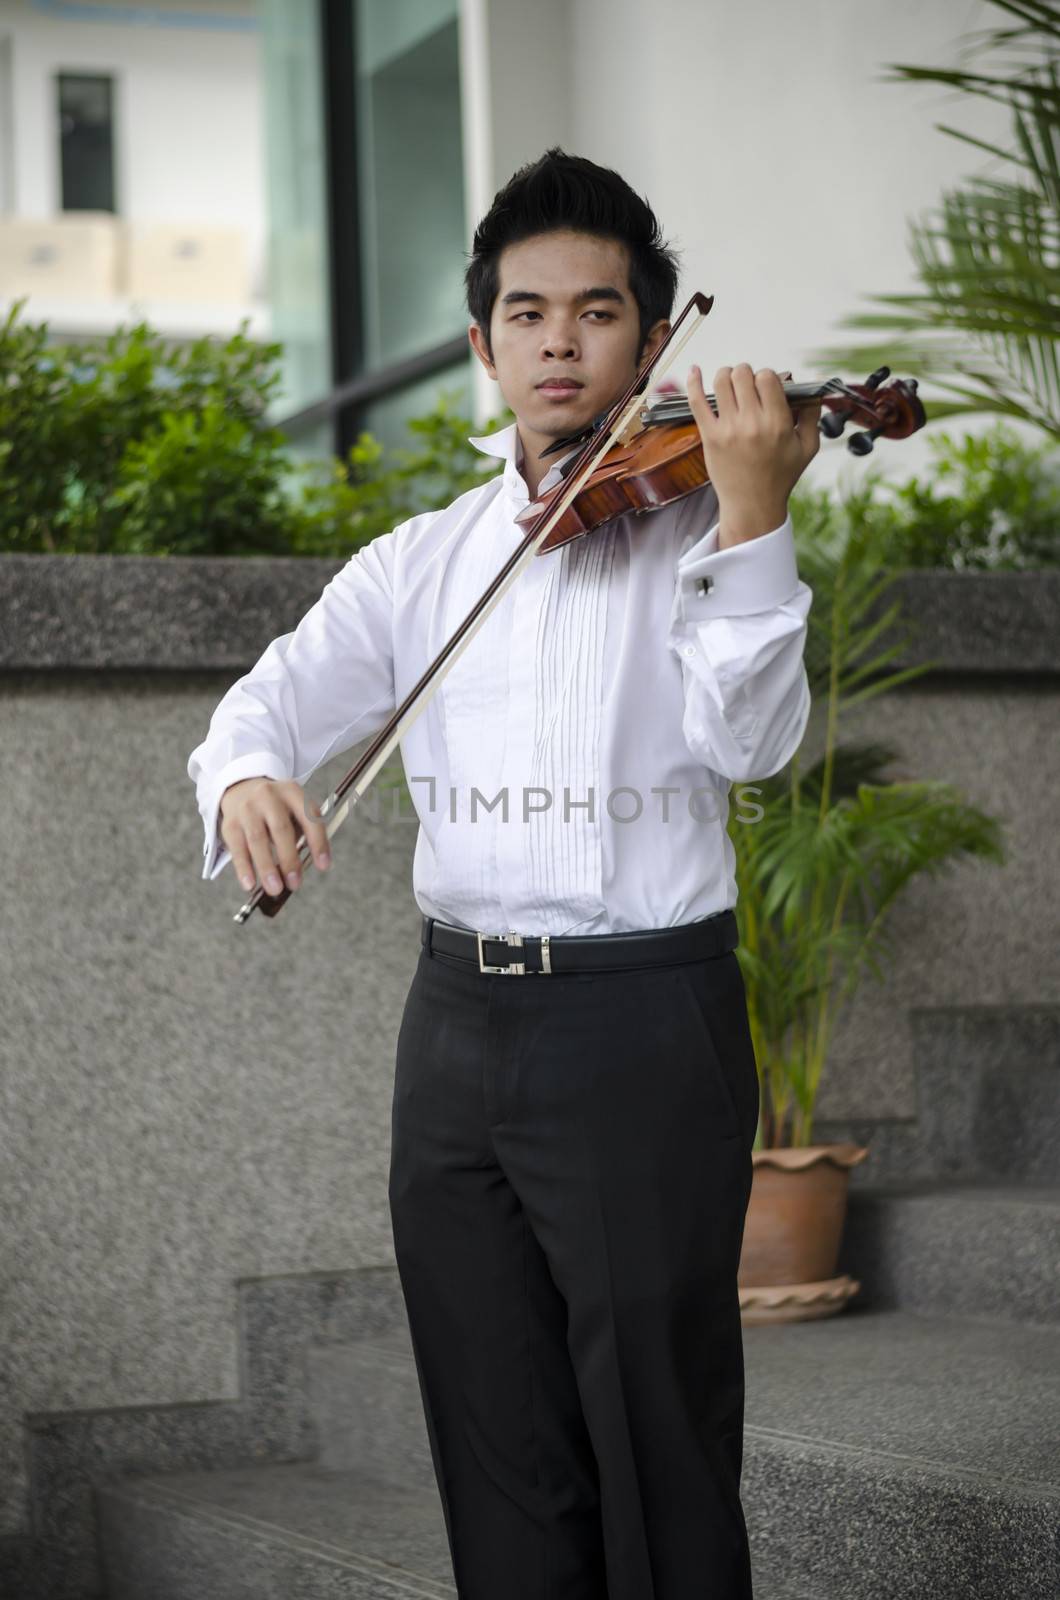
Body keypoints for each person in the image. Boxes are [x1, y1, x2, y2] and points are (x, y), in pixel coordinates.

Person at [187, 147, 822, 1600]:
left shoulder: (705, 529)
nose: (559, 341)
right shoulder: (423, 561)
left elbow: (756, 743)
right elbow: (260, 711)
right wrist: (249, 779)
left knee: (658, 1452)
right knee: (498, 1451)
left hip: (639, 1027)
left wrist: (757, 518)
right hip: (456, 1035)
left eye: (597, 313)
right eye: (526, 314)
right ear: (483, 346)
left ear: (654, 342)